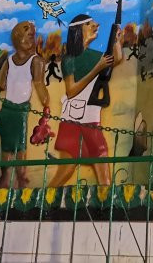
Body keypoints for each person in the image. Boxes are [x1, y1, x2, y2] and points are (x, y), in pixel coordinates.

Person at [48, 14, 123, 187]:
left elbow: (116, 59)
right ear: (79, 30)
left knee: (98, 158)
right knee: (70, 167)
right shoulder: (69, 59)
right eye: (90, 24)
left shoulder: (95, 55)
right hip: (73, 118)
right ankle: (46, 200)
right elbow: (71, 90)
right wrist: (97, 68)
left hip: (90, 117)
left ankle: (106, 201)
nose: (96, 25)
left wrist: (117, 40)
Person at [0, 20, 50, 188]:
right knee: (19, 147)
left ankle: (11, 177)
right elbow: (39, 84)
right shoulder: (31, 61)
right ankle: (18, 177)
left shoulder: (24, 60)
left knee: (10, 146)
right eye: (30, 37)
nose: (32, 41)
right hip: (15, 111)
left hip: (10, 109)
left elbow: (0, 85)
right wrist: (46, 102)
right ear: (18, 38)